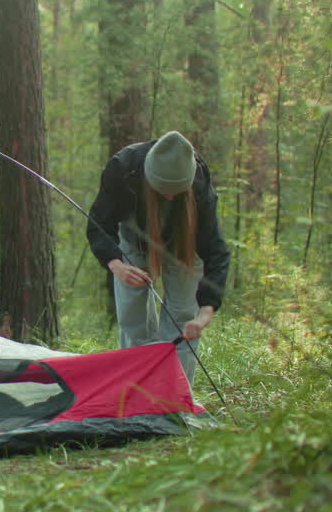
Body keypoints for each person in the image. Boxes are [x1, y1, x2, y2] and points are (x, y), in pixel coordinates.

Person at [86, 131, 230, 383]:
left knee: (182, 320)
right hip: (133, 242)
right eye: (164, 191)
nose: (170, 197)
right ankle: (136, 393)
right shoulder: (123, 169)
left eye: (177, 192)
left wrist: (206, 311)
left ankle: (174, 401)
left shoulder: (199, 183)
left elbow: (216, 250)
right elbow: (99, 222)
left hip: (185, 246)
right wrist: (116, 264)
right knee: (133, 319)